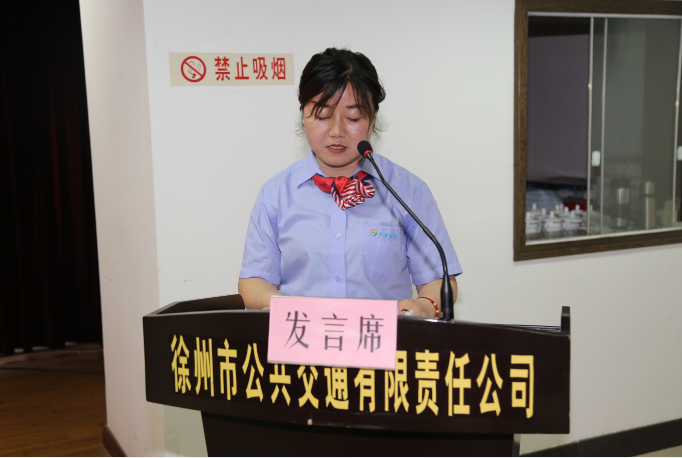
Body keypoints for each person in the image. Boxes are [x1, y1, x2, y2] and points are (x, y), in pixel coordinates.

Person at [238, 48, 462, 317]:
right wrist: (288, 309)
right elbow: (254, 281)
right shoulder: (276, 195)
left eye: (353, 118)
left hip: (381, 339)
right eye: (322, 116)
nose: (337, 131)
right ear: (303, 116)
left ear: (372, 118)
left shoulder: (407, 191)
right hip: (302, 337)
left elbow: (439, 279)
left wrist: (423, 306)